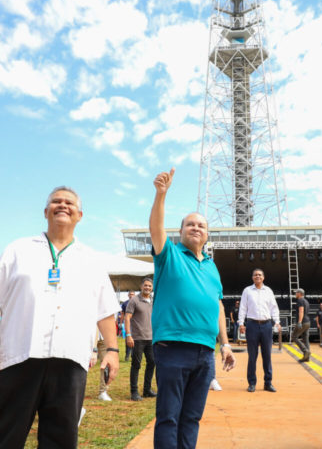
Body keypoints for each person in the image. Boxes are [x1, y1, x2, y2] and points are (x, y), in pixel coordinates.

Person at [0, 186, 120, 448]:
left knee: (61, 440)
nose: (62, 205)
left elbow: (106, 311)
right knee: (6, 436)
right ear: (46, 211)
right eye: (56, 201)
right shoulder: (18, 250)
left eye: (69, 203)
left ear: (80, 215)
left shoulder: (91, 259)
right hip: (19, 358)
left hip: (71, 362)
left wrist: (111, 349)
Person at [148, 167, 235, 449]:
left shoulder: (212, 268)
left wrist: (225, 344)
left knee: (192, 417)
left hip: (205, 352)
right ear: (181, 231)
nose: (196, 228)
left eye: (201, 226)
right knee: (169, 417)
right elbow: (156, 229)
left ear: (208, 234)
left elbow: (218, 306)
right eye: (190, 225)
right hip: (173, 348)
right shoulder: (169, 255)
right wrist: (161, 195)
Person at [238, 268, 281, 392]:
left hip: (266, 325)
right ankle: (252, 383)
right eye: (255, 275)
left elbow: (274, 307)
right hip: (251, 325)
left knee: (267, 355)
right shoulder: (247, 291)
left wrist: (277, 321)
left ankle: (268, 383)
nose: (257, 276)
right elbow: (243, 308)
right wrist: (241, 323)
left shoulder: (268, 291)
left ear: (263, 277)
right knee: (252, 356)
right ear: (252, 278)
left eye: (260, 275)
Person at [125, 277, 155, 401]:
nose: (147, 288)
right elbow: (127, 318)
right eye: (145, 285)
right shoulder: (134, 300)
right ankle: (134, 392)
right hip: (137, 338)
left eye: (149, 286)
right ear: (141, 286)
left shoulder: (153, 300)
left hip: (151, 338)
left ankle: (147, 390)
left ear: (152, 288)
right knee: (136, 365)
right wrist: (128, 335)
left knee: (152, 362)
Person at [292, 288, 311, 362]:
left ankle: (305, 351)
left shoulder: (300, 300)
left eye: (296, 293)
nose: (295, 294)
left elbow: (301, 311)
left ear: (299, 293)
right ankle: (307, 357)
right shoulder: (306, 301)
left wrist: (299, 322)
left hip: (302, 322)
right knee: (306, 339)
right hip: (307, 322)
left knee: (294, 337)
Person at [121, 291, 136, 362]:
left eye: (133, 294)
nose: (131, 295)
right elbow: (122, 314)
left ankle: (133, 355)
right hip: (127, 324)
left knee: (135, 340)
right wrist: (121, 323)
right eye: (130, 294)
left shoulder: (137, 302)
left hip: (136, 324)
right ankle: (127, 355)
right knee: (128, 339)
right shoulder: (125, 303)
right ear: (128, 295)